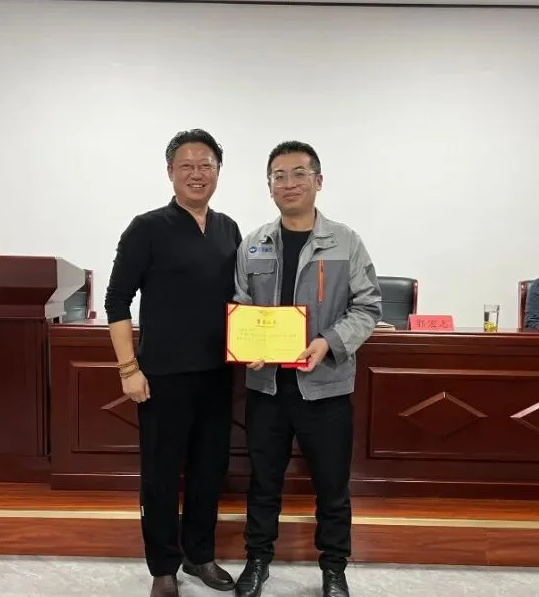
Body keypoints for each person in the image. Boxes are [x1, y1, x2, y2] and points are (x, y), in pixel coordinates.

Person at [232, 141, 382, 597]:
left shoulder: (346, 241)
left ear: (318, 181)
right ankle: (257, 561)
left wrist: (328, 341)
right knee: (264, 483)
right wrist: (246, 344)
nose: (289, 183)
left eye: (299, 173)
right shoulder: (254, 243)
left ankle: (334, 569)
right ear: (269, 187)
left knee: (332, 487)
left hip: (326, 387)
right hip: (267, 387)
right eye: (279, 175)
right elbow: (240, 303)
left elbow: (368, 307)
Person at [103, 129, 241, 597]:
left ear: (218, 171)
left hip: (218, 374)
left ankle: (199, 555)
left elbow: (241, 300)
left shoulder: (228, 229)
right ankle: (163, 567)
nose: (197, 174)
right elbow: (117, 301)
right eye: (187, 165)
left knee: (209, 469)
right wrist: (128, 369)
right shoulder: (147, 228)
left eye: (206, 165)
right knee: (162, 475)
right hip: (161, 376)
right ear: (170, 172)